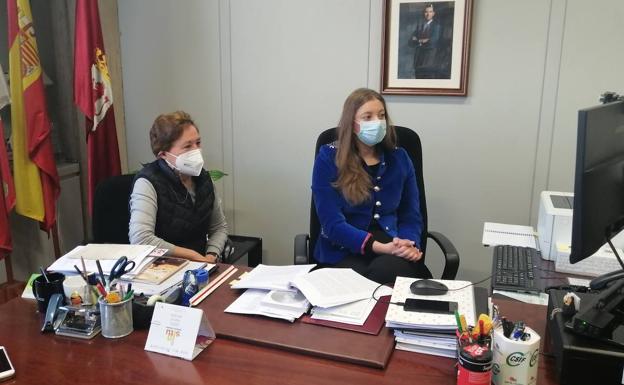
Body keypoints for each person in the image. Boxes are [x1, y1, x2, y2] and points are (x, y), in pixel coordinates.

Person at [311, 88, 432, 284]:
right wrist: (379, 247)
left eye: (381, 115)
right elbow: (331, 224)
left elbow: (411, 215)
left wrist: (408, 244)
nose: (377, 122)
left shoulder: (400, 158)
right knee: (355, 282)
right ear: (352, 124)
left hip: (391, 243)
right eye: (367, 117)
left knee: (388, 273)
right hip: (342, 247)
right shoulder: (329, 158)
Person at [129, 111, 228, 263]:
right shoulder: (148, 182)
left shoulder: (203, 178)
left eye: (198, 143)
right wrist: (193, 256)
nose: (196, 150)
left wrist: (211, 255)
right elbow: (141, 238)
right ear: (163, 154)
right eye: (187, 146)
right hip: (161, 268)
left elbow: (219, 227)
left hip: (201, 266)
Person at [408, 3, 441, 79]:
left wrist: (417, 40)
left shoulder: (437, 26)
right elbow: (410, 42)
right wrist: (422, 41)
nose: (428, 14)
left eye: (430, 12)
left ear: (433, 13)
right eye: (426, 12)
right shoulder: (420, 27)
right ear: (424, 13)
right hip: (418, 60)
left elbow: (432, 42)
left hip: (429, 60)